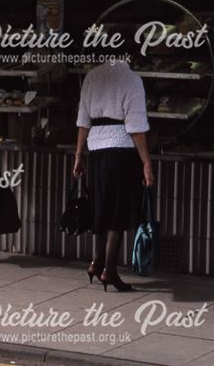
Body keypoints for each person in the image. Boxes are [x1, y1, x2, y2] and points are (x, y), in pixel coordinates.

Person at [73, 52, 154, 292]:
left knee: (102, 208)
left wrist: (78, 156)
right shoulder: (132, 80)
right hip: (121, 150)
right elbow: (136, 126)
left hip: (96, 150)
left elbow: (82, 120)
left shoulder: (91, 77)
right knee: (117, 213)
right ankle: (109, 270)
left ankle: (97, 263)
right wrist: (146, 162)